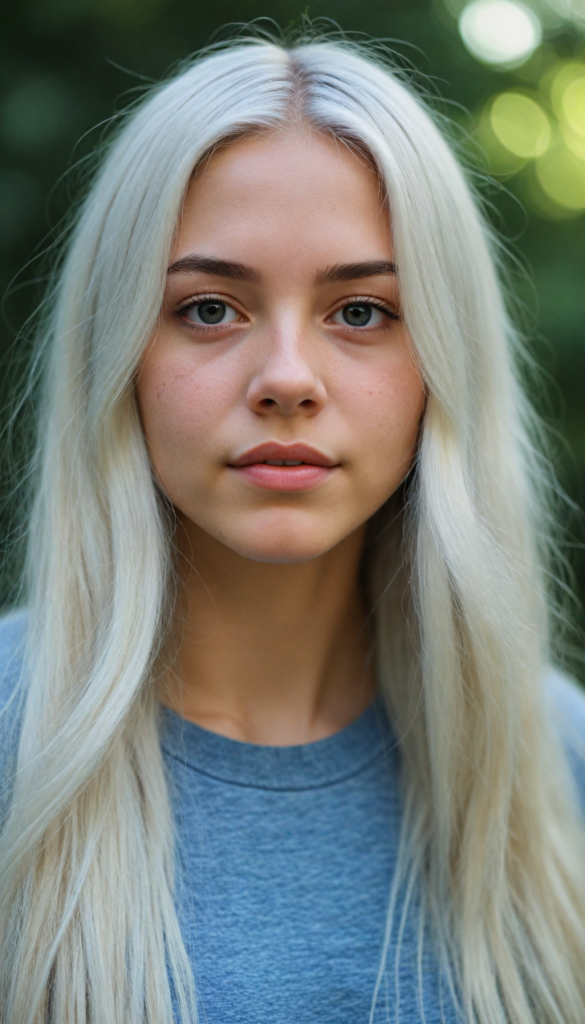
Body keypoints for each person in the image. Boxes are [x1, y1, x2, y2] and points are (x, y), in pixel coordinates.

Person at [0, 33, 584, 1024]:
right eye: (211, 307)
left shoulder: (561, 765)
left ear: (443, 359)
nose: (286, 378)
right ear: (119, 353)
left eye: (359, 310)